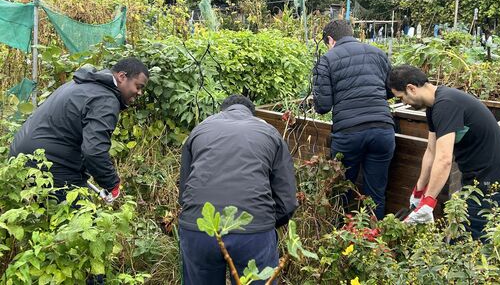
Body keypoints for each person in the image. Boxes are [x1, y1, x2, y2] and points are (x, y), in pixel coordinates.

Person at [387, 65, 500, 240]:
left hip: (493, 180)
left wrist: (429, 202)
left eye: (401, 97)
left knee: (468, 239)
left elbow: (444, 159)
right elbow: (431, 151)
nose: (403, 103)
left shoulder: (446, 104)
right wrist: (419, 192)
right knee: (463, 233)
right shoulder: (434, 106)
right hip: (476, 177)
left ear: (411, 88)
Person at [178, 94, 298, 285]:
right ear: (252, 113)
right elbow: (287, 202)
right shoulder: (269, 132)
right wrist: (261, 224)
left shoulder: (199, 130)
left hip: (199, 227)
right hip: (254, 232)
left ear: (222, 111)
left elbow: (184, 194)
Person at [10, 57, 149, 202]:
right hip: (48, 163)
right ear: (122, 77)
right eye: (138, 86)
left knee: (39, 216)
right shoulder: (105, 99)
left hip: (19, 158)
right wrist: (112, 184)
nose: (139, 93)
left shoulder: (81, 84)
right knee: (83, 219)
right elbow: (94, 151)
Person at [312, 19, 395, 220]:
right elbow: (390, 90)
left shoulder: (327, 59)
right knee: (375, 194)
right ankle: (374, 244)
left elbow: (323, 106)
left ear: (330, 40)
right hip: (383, 131)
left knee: (341, 192)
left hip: (348, 133)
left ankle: (342, 241)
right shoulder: (378, 53)